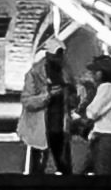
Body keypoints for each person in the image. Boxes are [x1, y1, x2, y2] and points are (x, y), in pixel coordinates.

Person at [19, 42, 76, 177]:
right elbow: (27, 101)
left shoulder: (66, 73)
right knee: (38, 171)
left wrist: (73, 98)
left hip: (61, 129)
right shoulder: (34, 74)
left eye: (61, 55)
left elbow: (72, 97)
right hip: (41, 130)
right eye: (56, 55)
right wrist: (48, 96)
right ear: (48, 55)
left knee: (65, 170)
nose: (59, 58)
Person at [78, 56, 111, 179]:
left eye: (94, 72)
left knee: (103, 179)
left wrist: (86, 100)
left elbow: (93, 112)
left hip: (107, 139)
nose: (92, 75)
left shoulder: (107, 87)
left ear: (101, 73)